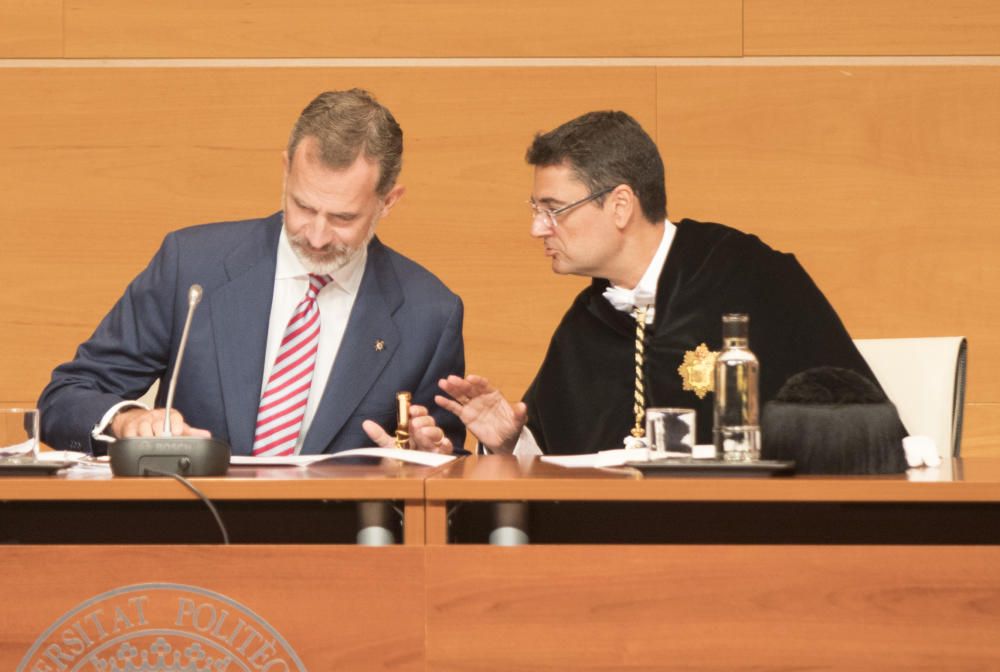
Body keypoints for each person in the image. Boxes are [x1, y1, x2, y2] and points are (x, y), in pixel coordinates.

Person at [38, 89, 464, 456]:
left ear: (388, 201)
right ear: (285, 171)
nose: (316, 237)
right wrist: (126, 421)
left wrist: (431, 461)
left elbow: (445, 461)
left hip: (341, 542)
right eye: (302, 206)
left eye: (342, 218)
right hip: (191, 535)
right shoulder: (191, 265)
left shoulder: (429, 315)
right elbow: (67, 396)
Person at [436, 110, 888, 455]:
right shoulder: (587, 324)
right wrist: (511, 444)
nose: (538, 229)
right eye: (535, 210)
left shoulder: (750, 278)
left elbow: (851, 429)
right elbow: (561, 473)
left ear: (620, 205)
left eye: (552, 210)